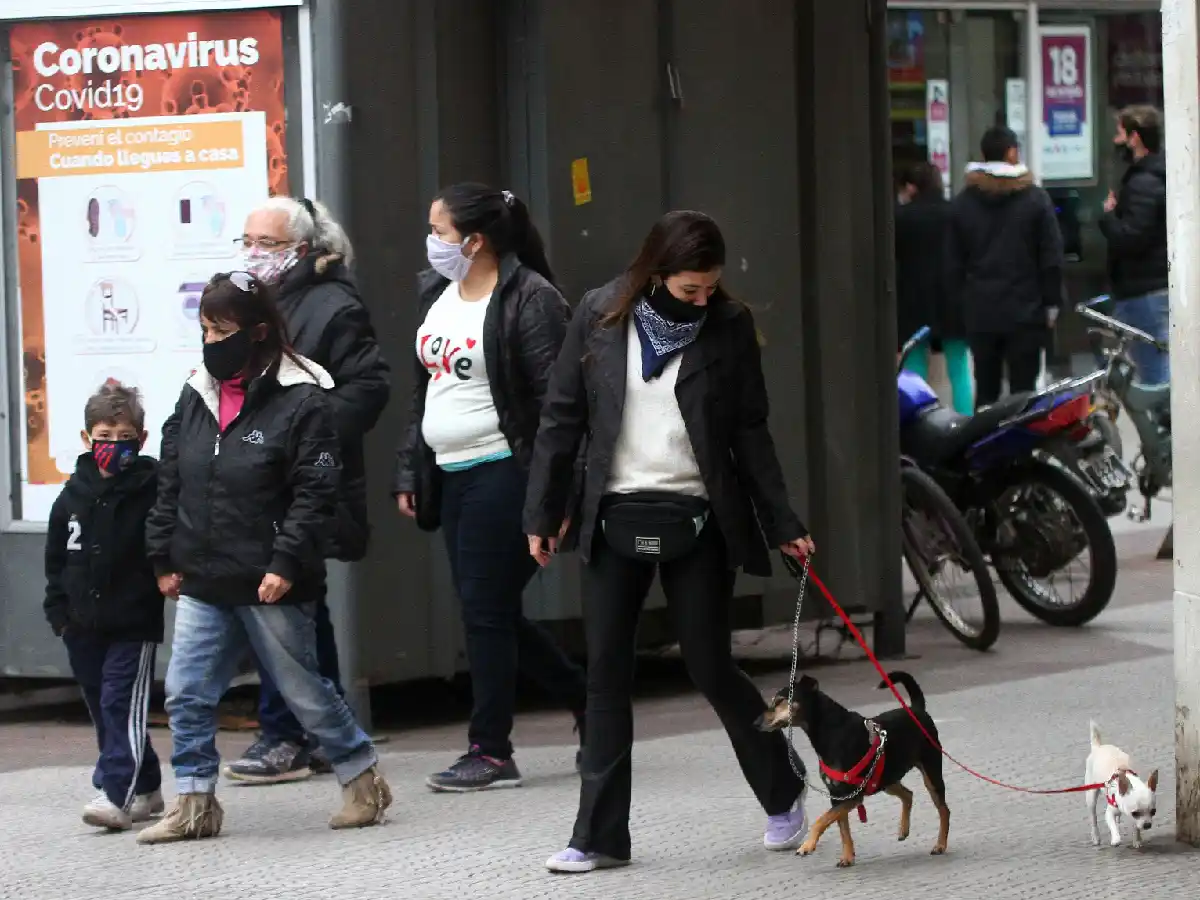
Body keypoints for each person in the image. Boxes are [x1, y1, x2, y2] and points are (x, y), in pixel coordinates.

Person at [523, 210, 815, 873]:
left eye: (711, 287)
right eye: (691, 290)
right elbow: (561, 417)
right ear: (655, 273)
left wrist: (785, 524)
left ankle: (783, 788)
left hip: (699, 515)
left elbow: (750, 431)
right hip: (612, 513)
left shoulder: (729, 327)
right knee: (605, 675)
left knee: (710, 665)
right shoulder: (599, 315)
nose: (703, 300)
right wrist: (542, 513)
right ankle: (599, 838)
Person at [139, 272, 390, 844]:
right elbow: (170, 479)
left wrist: (285, 561)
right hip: (204, 573)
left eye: (220, 328)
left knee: (304, 690)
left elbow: (315, 492)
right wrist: (161, 558)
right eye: (204, 327)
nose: (209, 339)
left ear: (256, 332)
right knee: (186, 691)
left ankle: (361, 779)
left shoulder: (304, 399)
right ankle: (196, 802)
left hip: (272, 576)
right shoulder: (194, 392)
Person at [393, 183, 588, 792]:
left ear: (475, 241)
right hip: (449, 471)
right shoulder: (438, 293)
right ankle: (592, 702)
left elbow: (559, 407)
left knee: (484, 612)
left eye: (440, 232)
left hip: (505, 470)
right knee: (491, 609)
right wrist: (410, 466)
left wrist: (553, 496)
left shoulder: (531, 299)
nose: (430, 243)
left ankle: (491, 748)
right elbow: (425, 389)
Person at [221, 197, 391, 785]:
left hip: (301, 478)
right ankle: (324, 731)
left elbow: (369, 387)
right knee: (297, 604)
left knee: (284, 601)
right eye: (247, 241)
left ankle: (286, 734)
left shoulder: (331, 305)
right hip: (254, 476)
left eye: (266, 244)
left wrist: (299, 427)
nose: (253, 254)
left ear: (300, 249)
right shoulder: (247, 303)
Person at [44, 381, 164, 832]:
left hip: (133, 623)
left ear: (141, 439)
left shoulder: (151, 490)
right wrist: (59, 613)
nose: (113, 446)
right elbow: (56, 557)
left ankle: (115, 793)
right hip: (81, 625)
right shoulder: (72, 495)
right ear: (86, 439)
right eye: (104, 437)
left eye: (124, 437)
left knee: (120, 703)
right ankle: (147, 785)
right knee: (104, 708)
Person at [947, 126, 1064, 409]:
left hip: (981, 313)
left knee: (986, 392)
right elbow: (1051, 256)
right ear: (1012, 153)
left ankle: (983, 450)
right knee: (1023, 394)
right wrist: (1051, 304)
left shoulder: (963, 203)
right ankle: (1021, 452)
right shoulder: (1035, 199)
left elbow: (952, 263)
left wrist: (961, 310)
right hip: (1026, 313)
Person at [895, 161, 972, 414]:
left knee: (914, 370)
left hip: (912, 304)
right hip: (954, 302)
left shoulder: (901, 218)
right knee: (959, 369)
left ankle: (920, 423)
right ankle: (965, 425)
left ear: (910, 187)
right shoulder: (956, 214)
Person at [1101, 105, 1169, 386]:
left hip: (1143, 292)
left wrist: (1107, 217)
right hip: (1149, 288)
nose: (1116, 142)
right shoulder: (1154, 176)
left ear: (1135, 138)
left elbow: (1131, 238)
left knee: (1154, 375)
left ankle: (1168, 428)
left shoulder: (1143, 182)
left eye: (1120, 134)